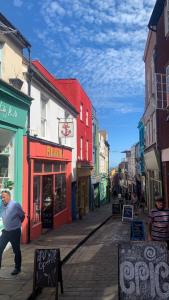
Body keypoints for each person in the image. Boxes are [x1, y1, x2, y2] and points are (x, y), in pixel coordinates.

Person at [0, 190, 25, 275]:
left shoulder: (15, 205)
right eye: (1, 197)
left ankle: (17, 268)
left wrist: (16, 225)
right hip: (6, 231)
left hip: (15, 231)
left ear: (9, 197)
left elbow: (22, 216)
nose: (2, 199)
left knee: (16, 250)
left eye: (4, 197)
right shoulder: (1, 206)